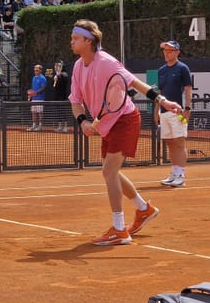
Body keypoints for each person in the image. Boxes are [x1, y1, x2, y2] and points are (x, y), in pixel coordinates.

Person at [68, 19, 183, 246]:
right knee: (112, 172)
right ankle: (143, 209)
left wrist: (162, 100)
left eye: (75, 38)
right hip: (107, 124)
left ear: (88, 41)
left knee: (109, 172)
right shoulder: (78, 66)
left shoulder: (107, 63)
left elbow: (135, 83)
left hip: (125, 119)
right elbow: (75, 101)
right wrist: (82, 122)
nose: (71, 42)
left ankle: (119, 229)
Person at [156, 40, 193, 187]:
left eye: (170, 50)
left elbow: (188, 89)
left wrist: (188, 109)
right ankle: (174, 173)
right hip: (164, 112)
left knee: (179, 142)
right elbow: (159, 92)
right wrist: (156, 111)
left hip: (178, 112)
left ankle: (180, 175)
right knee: (170, 143)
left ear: (177, 52)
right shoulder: (161, 70)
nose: (166, 53)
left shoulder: (183, 68)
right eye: (165, 50)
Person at [50, 60, 70, 133]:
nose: (56, 67)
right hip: (57, 97)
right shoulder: (55, 75)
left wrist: (59, 75)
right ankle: (60, 126)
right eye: (55, 66)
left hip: (63, 97)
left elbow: (65, 78)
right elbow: (53, 85)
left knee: (63, 112)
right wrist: (55, 79)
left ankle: (65, 127)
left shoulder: (64, 74)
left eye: (58, 66)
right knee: (58, 112)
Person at [27, 63, 47, 131]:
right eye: (35, 70)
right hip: (34, 98)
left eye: (37, 70)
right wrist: (31, 94)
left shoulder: (42, 78)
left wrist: (36, 92)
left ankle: (40, 126)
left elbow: (43, 88)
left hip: (40, 99)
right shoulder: (33, 78)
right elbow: (33, 88)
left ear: (40, 70)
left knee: (40, 113)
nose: (35, 71)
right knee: (33, 112)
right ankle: (34, 125)